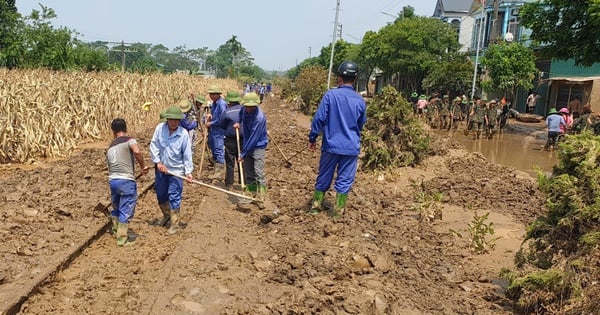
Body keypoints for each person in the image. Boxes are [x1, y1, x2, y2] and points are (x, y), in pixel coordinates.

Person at [308, 61, 367, 218]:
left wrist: (313, 136)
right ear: (355, 79)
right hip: (351, 146)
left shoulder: (330, 96)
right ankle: (338, 212)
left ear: (339, 78)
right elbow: (361, 124)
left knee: (324, 176)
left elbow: (319, 119)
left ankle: (315, 207)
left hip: (331, 145)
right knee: (345, 179)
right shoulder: (360, 100)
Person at [149, 105, 193, 235]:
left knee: (174, 196)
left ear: (179, 121)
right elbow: (154, 145)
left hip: (176, 171)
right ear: (167, 119)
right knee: (161, 195)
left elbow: (187, 154)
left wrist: (188, 171)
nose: (174, 122)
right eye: (171, 120)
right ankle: (166, 215)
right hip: (162, 170)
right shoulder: (159, 129)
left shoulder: (183, 134)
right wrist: (157, 162)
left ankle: (175, 223)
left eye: (176, 120)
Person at [107, 118, 149, 246]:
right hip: (126, 180)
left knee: (117, 206)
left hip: (113, 180)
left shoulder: (110, 146)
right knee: (126, 208)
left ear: (113, 132)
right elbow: (136, 151)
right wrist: (142, 166)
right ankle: (122, 239)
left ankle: (115, 229)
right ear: (126, 129)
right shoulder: (129, 140)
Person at [233, 92, 269, 207]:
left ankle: (262, 197)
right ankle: (252, 194)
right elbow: (240, 114)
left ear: (256, 105)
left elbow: (254, 139)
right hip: (247, 142)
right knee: (249, 172)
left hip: (258, 145)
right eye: (247, 106)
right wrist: (238, 122)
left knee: (258, 171)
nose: (248, 108)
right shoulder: (244, 109)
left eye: (251, 106)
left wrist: (243, 154)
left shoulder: (259, 118)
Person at [220, 90, 244, 191]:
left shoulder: (227, 112)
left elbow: (222, 125)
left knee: (230, 162)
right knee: (242, 161)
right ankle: (243, 181)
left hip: (230, 140)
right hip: (244, 139)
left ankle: (229, 183)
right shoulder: (245, 110)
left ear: (229, 102)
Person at [206, 85, 227, 179]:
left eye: (214, 94)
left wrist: (211, 123)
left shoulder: (221, 104)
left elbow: (222, 118)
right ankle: (216, 168)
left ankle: (219, 172)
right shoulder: (214, 103)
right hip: (213, 130)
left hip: (219, 130)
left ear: (218, 94)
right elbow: (215, 115)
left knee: (219, 150)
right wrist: (210, 115)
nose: (212, 96)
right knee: (213, 147)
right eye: (211, 94)